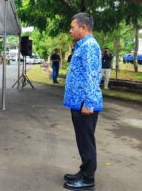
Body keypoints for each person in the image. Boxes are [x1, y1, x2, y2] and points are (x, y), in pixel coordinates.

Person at [63, 13, 102, 190]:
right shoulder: (83, 45)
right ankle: (84, 171)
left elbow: (92, 76)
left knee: (86, 141)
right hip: (78, 102)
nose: (70, 30)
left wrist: (89, 103)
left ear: (83, 27)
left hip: (84, 104)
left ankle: (87, 180)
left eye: (73, 27)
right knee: (82, 140)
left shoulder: (90, 46)